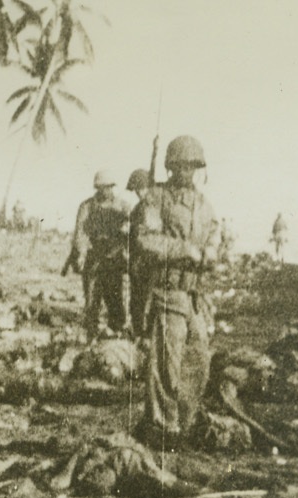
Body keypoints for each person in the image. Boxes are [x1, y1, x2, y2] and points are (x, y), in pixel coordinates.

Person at [132, 136, 220, 448]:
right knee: (166, 364)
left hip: (195, 294)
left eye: (193, 166)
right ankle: (161, 427)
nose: (187, 172)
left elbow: (214, 234)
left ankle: (182, 422)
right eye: (182, 166)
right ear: (171, 167)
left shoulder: (204, 204)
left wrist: (210, 251)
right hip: (168, 291)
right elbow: (146, 239)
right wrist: (185, 249)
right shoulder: (157, 199)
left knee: (198, 360)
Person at [72, 170, 132, 339]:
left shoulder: (122, 206)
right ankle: (92, 333)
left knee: (115, 297)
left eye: (109, 187)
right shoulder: (87, 206)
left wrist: (124, 250)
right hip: (94, 257)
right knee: (92, 298)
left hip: (114, 259)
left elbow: (130, 234)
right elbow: (81, 234)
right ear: (97, 188)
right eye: (102, 188)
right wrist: (81, 254)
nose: (106, 191)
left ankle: (116, 332)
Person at [126, 167, 155, 337]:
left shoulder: (157, 206)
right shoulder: (137, 209)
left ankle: (148, 334)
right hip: (138, 262)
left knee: (150, 301)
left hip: (152, 262)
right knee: (136, 301)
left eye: (141, 189)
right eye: (136, 190)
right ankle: (139, 333)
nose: (138, 193)